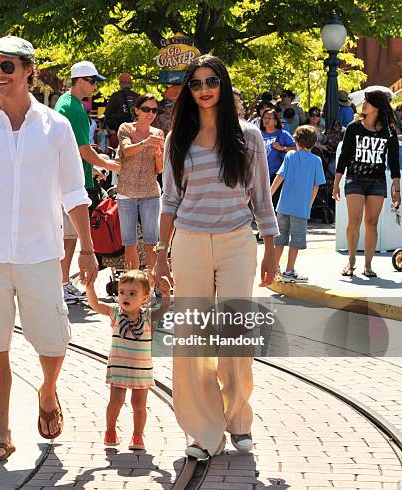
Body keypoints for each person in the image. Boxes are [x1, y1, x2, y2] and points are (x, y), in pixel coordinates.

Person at [0, 35, 99, 463]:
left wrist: (87, 248)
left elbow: (75, 191)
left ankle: (48, 392)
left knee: (53, 341)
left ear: (28, 71)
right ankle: (2, 432)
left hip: (39, 252)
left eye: (5, 67)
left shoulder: (57, 127)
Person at [153, 54, 278, 459]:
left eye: (211, 82)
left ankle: (238, 418)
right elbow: (170, 199)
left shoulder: (249, 138)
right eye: (195, 84)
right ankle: (204, 431)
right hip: (188, 242)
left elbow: (261, 198)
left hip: (237, 242)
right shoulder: (177, 140)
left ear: (223, 86)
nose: (204, 89)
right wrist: (160, 254)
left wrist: (272, 250)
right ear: (188, 92)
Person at [54, 60, 120, 304]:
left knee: (67, 235)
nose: (95, 86)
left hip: (69, 176)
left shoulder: (64, 102)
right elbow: (82, 150)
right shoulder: (75, 108)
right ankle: (61, 284)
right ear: (80, 81)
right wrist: (110, 165)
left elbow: (73, 149)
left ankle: (61, 282)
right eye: (92, 81)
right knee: (70, 236)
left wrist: (93, 167)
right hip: (72, 182)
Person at [86, 270, 170, 451]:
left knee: (139, 405)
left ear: (145, 298)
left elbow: (164, 309)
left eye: (132, 294)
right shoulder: (115, 312)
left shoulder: (147, 316)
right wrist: (90, 288)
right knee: (116, 401)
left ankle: (138, 436)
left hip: (141, 369)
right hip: (119, 366)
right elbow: (95, 305)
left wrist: (166, 295)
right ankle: (110, 431)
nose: (125, 296)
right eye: (122, 292)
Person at [333, 89, 400, 277]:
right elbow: (344, 156)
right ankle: (351, 261)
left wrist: (397, 189)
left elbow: (394, 162)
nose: (364, 104)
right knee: (354, 221)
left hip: (377, 180)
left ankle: (368, 265)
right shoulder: (354, 127)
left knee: (371, 223)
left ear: (377, 106)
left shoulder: (389, 131)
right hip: (355, 178)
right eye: (364, 101)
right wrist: (336, 183)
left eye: (368, 102)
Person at [270, 125, 326, 282]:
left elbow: (279, 177)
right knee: (295, 241)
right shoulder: (316, 160)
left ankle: (274, 269)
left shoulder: (289, 156)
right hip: (300, 208)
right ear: (314, 143)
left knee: (279, 239)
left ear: (296, 141)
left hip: (283, 206)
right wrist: (309, 204)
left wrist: (269, 195)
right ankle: (289, 271)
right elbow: (316, 186)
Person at [116, 93, 164, 271]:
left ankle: (151, 286)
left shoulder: (158, 133)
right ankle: (132, 284)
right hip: (126, 192)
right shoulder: (125, 128)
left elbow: (159, 169)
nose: (150, 114)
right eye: (146, 109)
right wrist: (145, 143)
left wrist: (159, 156)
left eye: (154, 110)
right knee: (130, 244)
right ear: (136, 110)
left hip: (150, 192)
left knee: (151, 243)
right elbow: (127, 151)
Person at [104, 73, 140, 143]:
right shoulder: (138, 97)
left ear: (120, 84)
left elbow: (108, 115)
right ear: (131, 84)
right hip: (136, 132)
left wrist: (112, 131)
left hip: (119, 132)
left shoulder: (115, 96)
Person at [260, 108, 296, 179]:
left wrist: (283, 148)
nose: (266, 120)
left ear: (276, 121)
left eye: (269, 118)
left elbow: (297, 148)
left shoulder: (283, 134)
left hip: (278, 175)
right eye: (264, 118)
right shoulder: (258, 134)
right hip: (261, 174)